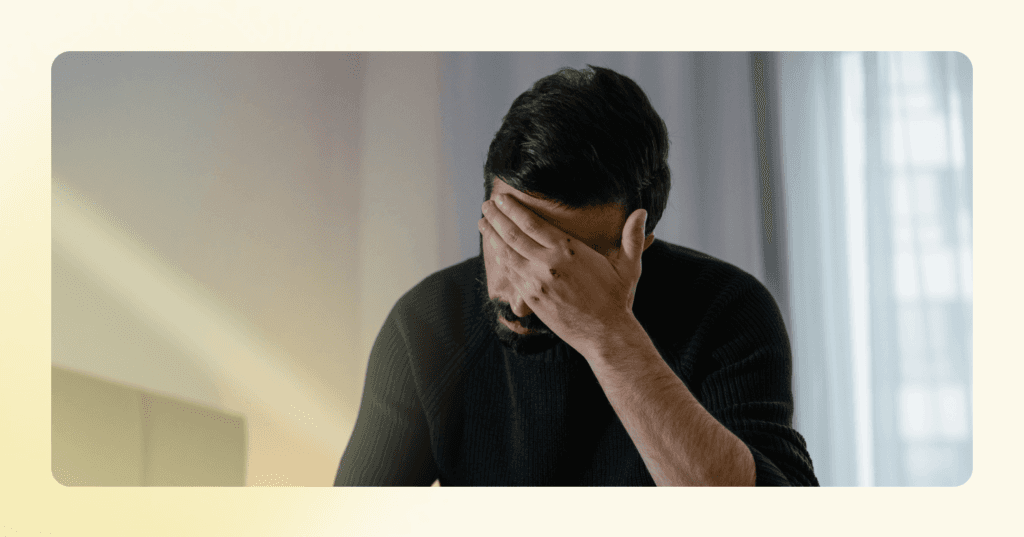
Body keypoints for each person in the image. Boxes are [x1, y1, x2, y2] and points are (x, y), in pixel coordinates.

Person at [334, 65, 817, 486]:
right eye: (513, 243)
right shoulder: (427, 322)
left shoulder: (727, 310)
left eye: (566, 264)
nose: (525, 299)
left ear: (640, 240)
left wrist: (608, 335)